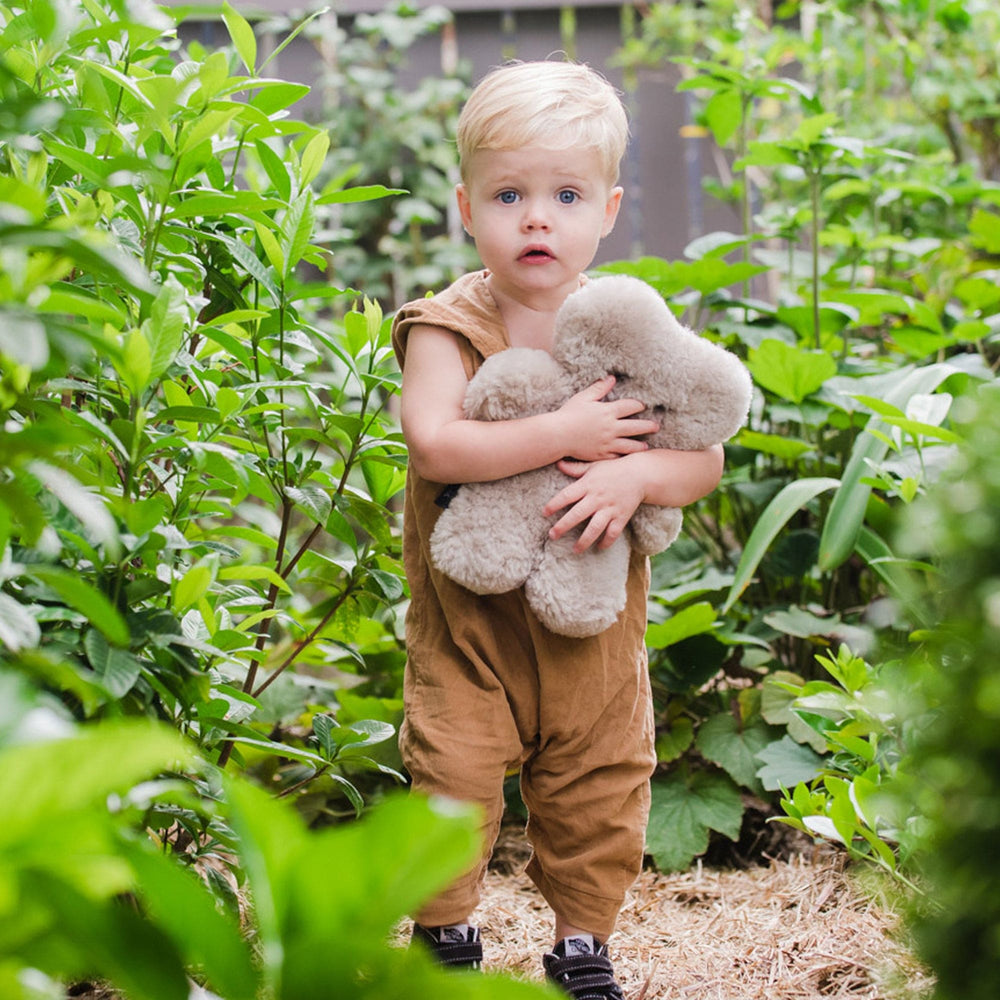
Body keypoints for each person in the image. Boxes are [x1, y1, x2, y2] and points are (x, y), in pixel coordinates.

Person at [391, 60, 724, 999]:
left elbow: (705, 458)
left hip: (594, 635)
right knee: (452, 773)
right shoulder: (445, 328)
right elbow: (435, 445)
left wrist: (637, 471)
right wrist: (564, 433)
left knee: (602, 783)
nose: (537, 218)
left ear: (608, 209)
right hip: (470, 634)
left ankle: (583, 945)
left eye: (565, 193)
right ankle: (446, 934)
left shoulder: (629, 330)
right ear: (467, 207)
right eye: (509, 194)